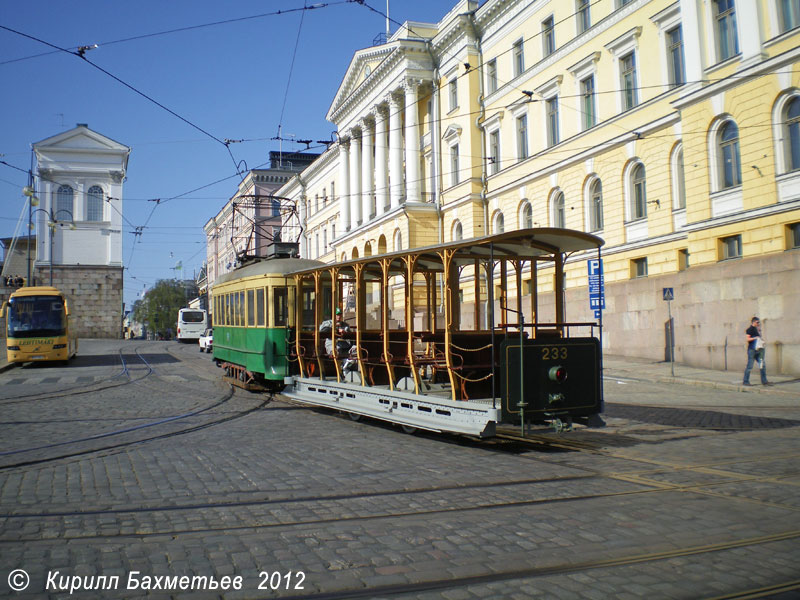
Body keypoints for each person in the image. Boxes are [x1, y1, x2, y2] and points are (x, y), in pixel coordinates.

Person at [743, 316, 772, 386]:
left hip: (759, 350)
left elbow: (759, 338)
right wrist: (755, 338)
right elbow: (748, 339)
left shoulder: (758, 329)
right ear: (753, 322)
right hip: (752, 350)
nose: (758, 323)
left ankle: (764, 381)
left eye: (759, 322)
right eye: (757, 322)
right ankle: (746, 381)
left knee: (762, 365)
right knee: (750, 366)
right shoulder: (749, 329)